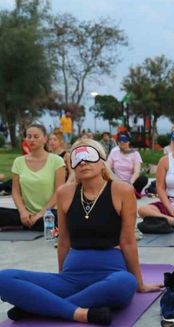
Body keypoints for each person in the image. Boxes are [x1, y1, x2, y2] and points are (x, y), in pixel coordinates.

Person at [0, 138, 162, 324]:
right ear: (73, 166)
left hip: (110, 275)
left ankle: (38, 309)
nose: (83, 161)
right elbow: (63, 241)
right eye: (77, 158)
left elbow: (128, 242)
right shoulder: (65, 193)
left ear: (102, 161)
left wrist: (139, 284)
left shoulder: (122, 190)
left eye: (89, 155)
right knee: (4, 278)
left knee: (125, 283)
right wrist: (61, 277)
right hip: (71, 277)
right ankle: (79, 313)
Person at [0, 124, 65, 231]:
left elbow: (59, 192)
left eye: (36, 136)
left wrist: (40, 214)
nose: (32, 140)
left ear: (45, 139)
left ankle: (26, 225)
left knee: (53, 220)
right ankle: (27, 223)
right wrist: (23, 212)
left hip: (50, 213)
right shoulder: (18, 161)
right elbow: (15, 192)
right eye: (29, 136)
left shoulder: (57, 161)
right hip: (27, 213)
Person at [106, 132, 148, 198]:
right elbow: (107, 168)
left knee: (143, 179)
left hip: (131, 181)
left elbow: (137, 171)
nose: (122, 142)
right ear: (118, 142)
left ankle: (132, 193)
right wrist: (115, 179)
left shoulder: (135, 153)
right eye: (120, 140)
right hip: (117, 181)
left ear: (128, 142)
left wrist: (130, 182)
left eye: (124, 140)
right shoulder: (114, 153)